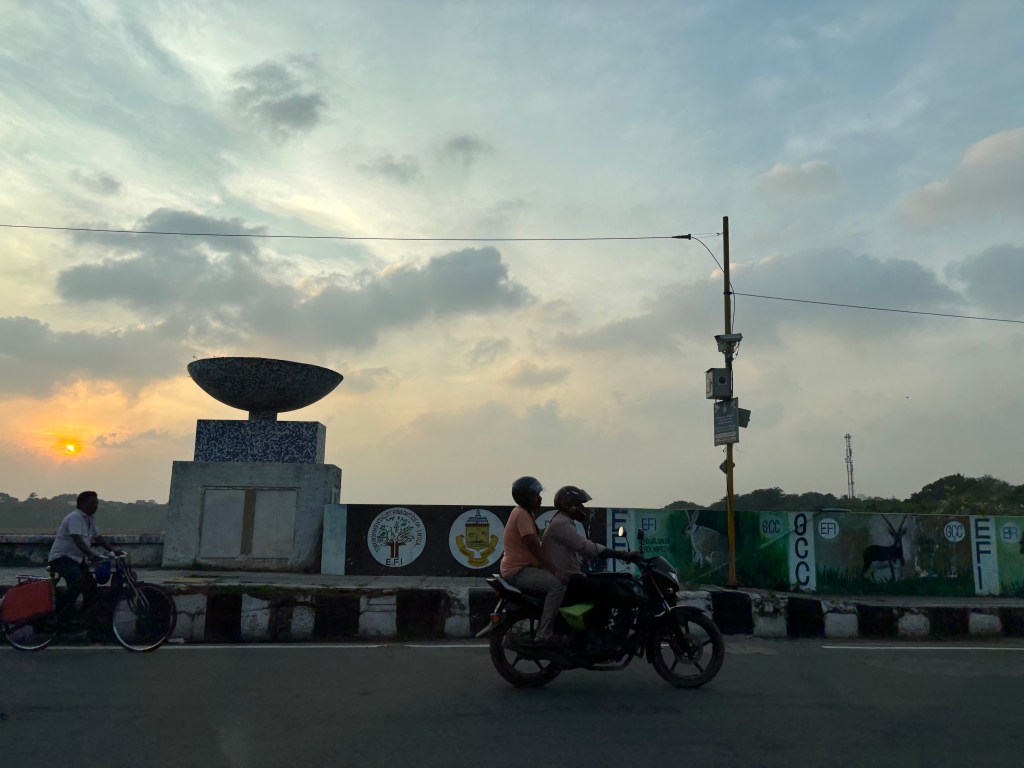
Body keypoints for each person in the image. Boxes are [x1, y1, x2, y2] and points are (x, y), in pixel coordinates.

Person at [540, 485, 643, 605]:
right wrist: (622, 554)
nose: (583, 508)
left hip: (570, 576)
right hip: (565, 579)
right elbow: (586, 547)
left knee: (611, 579)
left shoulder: (563, 521)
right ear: (570, 506)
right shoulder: (561, 523)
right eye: (580, 505)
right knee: (610, 588)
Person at [500, 476, 570, 646]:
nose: (539, 498)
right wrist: (554, 570)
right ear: (525, 497)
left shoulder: (525, 513)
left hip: (523, 569)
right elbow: (533, 545)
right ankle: (544, 634)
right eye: (535, 495)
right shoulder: (522, 514)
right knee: (557, 585)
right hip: (518, 571)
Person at [47, 490, 119, 620]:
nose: (95, 506)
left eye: (96, 503)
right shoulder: (75, 517)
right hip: (62, 558)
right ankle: (61, 611)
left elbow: (98, 537)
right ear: (82, 504)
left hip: (76, 559)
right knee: (79, 582)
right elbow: (77, 538)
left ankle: (82, 617)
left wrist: (113, 550)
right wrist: (90, 555)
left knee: (91, 586)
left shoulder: (90, 519)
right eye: (92, 503)